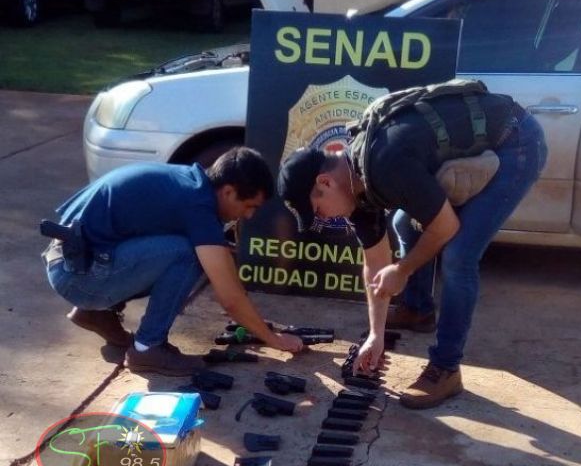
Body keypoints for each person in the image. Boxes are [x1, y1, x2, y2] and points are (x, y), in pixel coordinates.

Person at [278, 81, 547, 409]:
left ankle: (446, 369)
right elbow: (375, 265)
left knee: (459, 255)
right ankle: (418, 310)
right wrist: (376, 335)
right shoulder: (354, 186)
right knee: (404, 224)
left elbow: (445, 227)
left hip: (515, 141)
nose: (323, 218)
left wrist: (403, 270)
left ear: (325, 182)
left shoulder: (386, 163)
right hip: (474, 144)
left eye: (318, 209)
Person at [42, 147, 303, 376]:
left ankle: (95, 314)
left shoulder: (189, 183)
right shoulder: (198, 205)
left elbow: (223, 267)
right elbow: (230, 298)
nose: (249, 215)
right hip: (78, 277)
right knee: (189, 253)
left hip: (71, 261)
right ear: (228, 191)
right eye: (249, 206)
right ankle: (147, 348)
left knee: (186, 249)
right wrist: (273, 338)